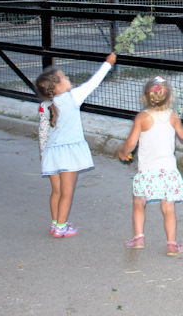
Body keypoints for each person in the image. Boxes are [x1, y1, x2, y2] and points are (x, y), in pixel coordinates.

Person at [36, 53, 116, 237]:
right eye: (64, 77)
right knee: (67, 192)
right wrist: (107, 63)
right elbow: (93, 83)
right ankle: (61, 227)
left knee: (56, 191)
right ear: (57, 86)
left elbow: (43, 131)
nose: (68, 78)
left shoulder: (46, 104)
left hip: (51, 152)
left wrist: (43, 154)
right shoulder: (72, 97)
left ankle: (55, 222)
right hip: (68, 153)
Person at [117, 76, 183, 256]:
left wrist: (122, 153)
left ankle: (138, 238)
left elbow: (131, 143)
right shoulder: (173, 117)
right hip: (168, 171)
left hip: (147, 171)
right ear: (171, 98)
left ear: (145, 98)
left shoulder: (142, 117)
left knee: (138, 202)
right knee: (168, 208)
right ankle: (172, 244)